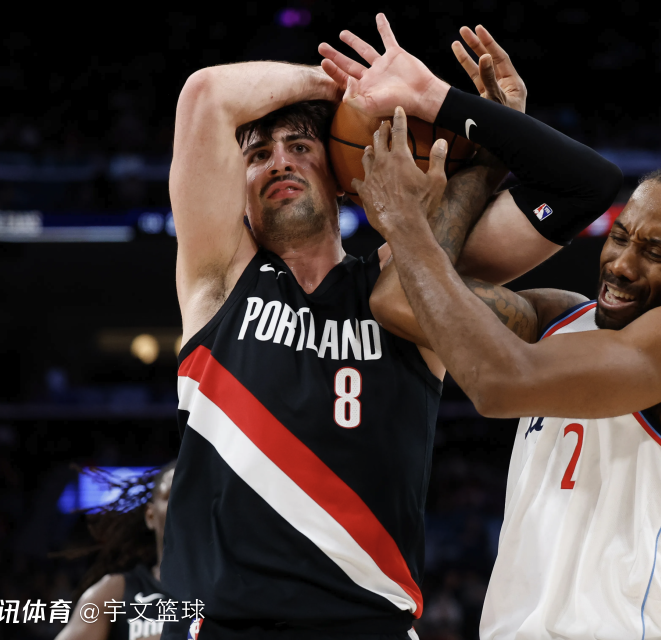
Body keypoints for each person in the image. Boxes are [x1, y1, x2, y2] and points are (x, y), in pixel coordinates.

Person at [164, 14, 620, 640]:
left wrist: (453, 107)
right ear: (236, 188)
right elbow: (205, 95)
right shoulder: (219, 280)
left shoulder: (412, 279)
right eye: (258, 155)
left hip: (368, 625)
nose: (279, 163)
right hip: (224, 627)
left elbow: (586, 186)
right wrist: (353, 90)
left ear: (339, 174)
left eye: (301, 147)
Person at [342, 47, 661, 639]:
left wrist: (408, 223)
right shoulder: (561, 318)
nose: (622, 264)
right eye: (620, 237)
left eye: (655, 252)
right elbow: (400, 300)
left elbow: (497, 384)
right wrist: (487, 156)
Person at [57, 462, 176, 640]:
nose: (183, 504)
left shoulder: (221, 590)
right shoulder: (115, 592)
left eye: (193, 496)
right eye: (172, 495)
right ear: (150, 515)